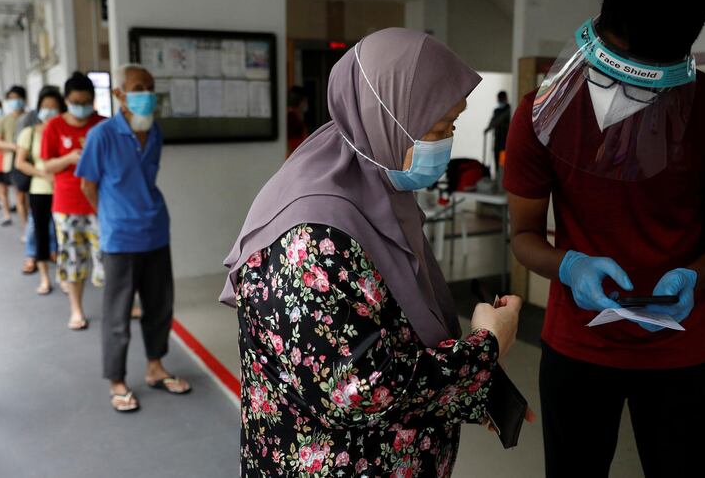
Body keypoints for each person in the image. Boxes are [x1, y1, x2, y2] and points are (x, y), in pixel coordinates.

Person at [221, 28, 527, 476]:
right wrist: (487, 346)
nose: (447, 142)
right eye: (439, 128)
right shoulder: (310, 234)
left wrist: (474, 387)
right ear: (386, 119)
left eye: (453, 125)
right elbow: (357, 389)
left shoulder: (380, 192)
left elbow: (395, 330)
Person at [504, 0, 705, 478]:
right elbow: (525, 233)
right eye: (609, 54)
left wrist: (696, 275)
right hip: (576, 344)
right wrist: (569, 266)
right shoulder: (541, 111)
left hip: (681, 352)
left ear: (678, 54)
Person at [77, 64, 190, 413]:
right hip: (120, 238)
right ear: (120, 95)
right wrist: (111, 217)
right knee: (118, 312)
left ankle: (155, 367)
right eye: (139, 87)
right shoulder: (102, 135)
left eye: (151, 88)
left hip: (156, 230)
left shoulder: (154, 131)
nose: (147, 94)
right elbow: (88, 185)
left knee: (159, 305)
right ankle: (117, 380)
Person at [42, 72, 106, 330]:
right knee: (72, 261)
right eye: (77, 101)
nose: (82, 107)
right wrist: (69, 159)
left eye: (87, 101)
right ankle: (76, 310)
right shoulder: (54, 126)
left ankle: (121, 306)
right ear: (67, 100)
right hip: (67, 205)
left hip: (101, 203)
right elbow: (46, 165)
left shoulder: (102, 124)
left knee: (109, 258)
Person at [15, 87, 65, 295]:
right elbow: (20, 163)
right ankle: (44, 277)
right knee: (41, 234)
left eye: (54, 107)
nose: (49, 111)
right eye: (45, 107)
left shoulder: (63, 131)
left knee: (64, 236)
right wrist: (43, 174)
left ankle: (63, 275)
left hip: (63, 190)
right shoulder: (29, 133)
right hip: (40, 190)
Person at [0, 87, 28, 228]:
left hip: (31, 162)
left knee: (29, 198)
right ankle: (26, 227)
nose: (15, 101)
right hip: (12, 163)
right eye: (11, 98)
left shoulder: (31, 117)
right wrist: (14, 147)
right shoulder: (3, 120)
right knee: (20, 196)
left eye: (17, 98)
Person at [486, 90, 511, 175]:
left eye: (501, 99)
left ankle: (503, 179)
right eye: (499, 99)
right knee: (496, 161)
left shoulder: (509, 109)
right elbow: (492, 123)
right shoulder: (496, 111)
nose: (500, 101)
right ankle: (498, 178)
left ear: (505, 99)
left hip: (505, 141)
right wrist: (487, 129)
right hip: (497, 141)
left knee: (503, 163)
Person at [286, 85, 309, 156]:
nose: (306, 104)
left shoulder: (293, 116)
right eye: (305, 101)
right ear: (301, 102)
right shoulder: (292, 118)